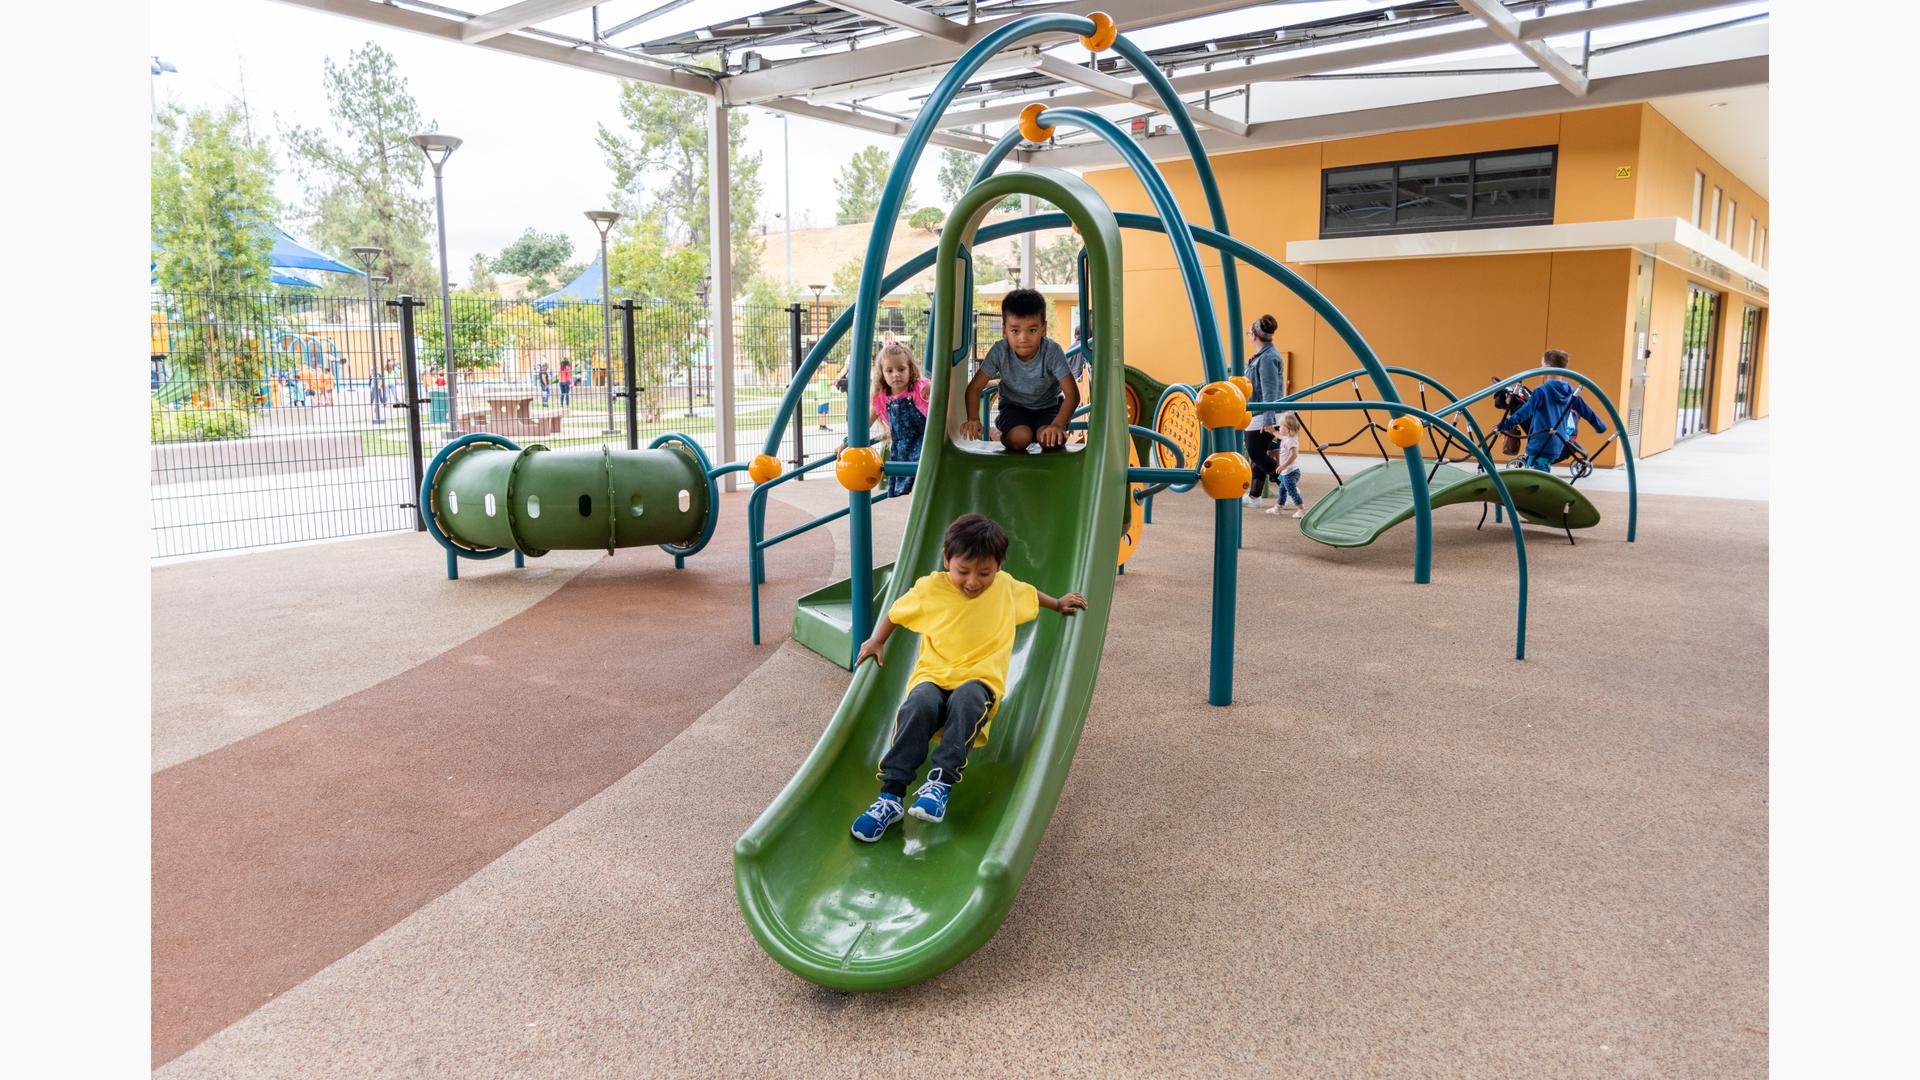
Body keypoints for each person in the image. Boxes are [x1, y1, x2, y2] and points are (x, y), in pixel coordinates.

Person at [849, 514, 1089, 841]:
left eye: (985, 573)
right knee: (917, 705)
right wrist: (877, 640)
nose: (973, 581)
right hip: (933, 675)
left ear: (999, 567)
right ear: (946, 558)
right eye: (963, 571)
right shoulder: (931, 589)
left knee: (967, 701)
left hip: (980, 678)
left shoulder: (1005, 588)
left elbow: (1031, 595)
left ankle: (940, 784)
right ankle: (890, 797)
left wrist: (1058, 603)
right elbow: (895, 612)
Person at [960, 288, 1078, 453]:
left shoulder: (1052, 351)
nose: (1023, 338)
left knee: (1051, 440)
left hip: (1048, 408)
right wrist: (973, 418)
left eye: (1032, 330)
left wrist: (1058, 425)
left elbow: (1072, 394)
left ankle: (1043, 433)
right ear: (1004, 330)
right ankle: (1007, 434)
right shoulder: (1000, 351)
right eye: (1015, 330)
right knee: (1021, 438)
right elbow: (974, 388)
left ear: (1043, 329)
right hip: (1014, 407)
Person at [1496, 349, 1606, 472]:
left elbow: (1524, 412)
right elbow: (1587, 411)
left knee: (1536, 477)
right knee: (1542, 472)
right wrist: (1599, 426)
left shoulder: (1541, 391)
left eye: (1542, 365)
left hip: (1539, 444)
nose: (1540, 368)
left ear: (1548, 366)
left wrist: (1505, 424)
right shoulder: (1570, 391)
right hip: (1558, 444)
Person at [868, 334, 931, 499]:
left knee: (925, 484)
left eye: (901, 369)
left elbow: (946, 388)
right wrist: (847, 442)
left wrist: (934, 385)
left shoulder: (918, 388)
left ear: (910, 369)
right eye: (889, 370)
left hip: (924, 443)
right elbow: (864, 423)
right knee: (912, 491)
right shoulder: (882, 397)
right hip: (901, 449)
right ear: (882, 373)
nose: (896, 374)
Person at [1240, 315, 1286, 510]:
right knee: (1258, 456)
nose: (1249, 336)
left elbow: (1269, 390)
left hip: (1265, 414)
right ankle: (1254, 496)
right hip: (1260, 413)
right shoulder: (1263, 356)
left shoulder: (1267, 358)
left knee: (1256, 453)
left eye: (1250, 333)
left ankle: (1288, 486)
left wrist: (1268, 420)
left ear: (1255, 336)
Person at [1266, 411, 1307, 518]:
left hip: (1291, 472)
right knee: (1282, 490)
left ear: (1288, 429)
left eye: (1281, 426)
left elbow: (1294, 455)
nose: (1279, 428)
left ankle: (1302, 510)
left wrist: (1283, 465)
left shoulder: (1291, 441)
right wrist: (1272, 431)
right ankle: (1278, 508)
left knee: (1292, 491)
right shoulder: (1287, 437)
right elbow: (1279, 435)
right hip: (1286, 472)